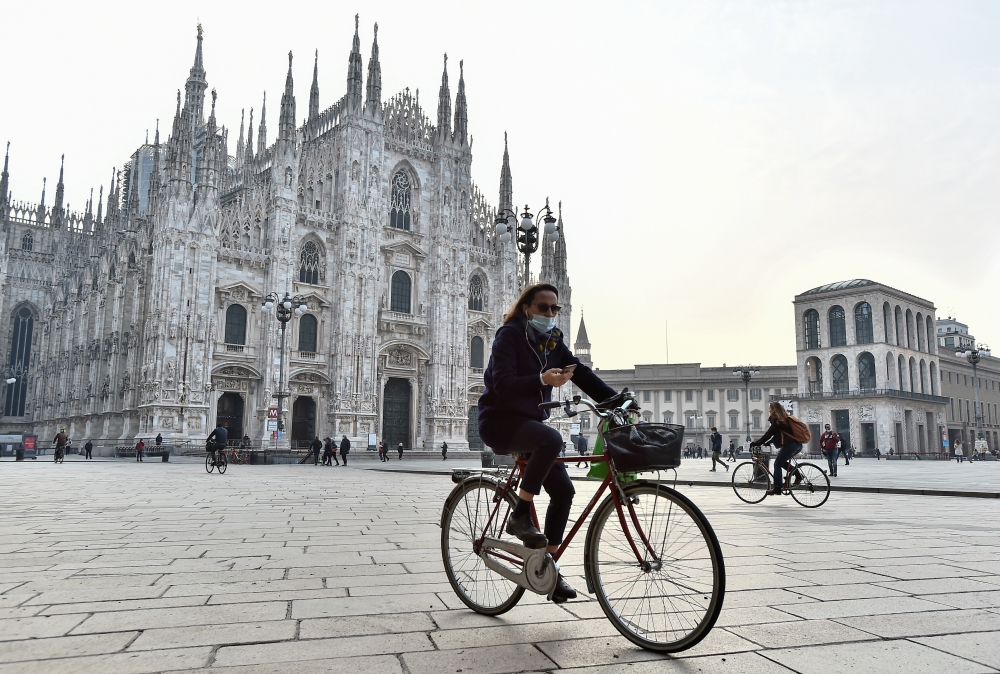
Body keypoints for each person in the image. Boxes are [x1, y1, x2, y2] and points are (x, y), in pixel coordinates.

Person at [478, 283, 617, 604]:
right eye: (544, 308)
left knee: (565, 491)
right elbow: (503, 384)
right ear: (527, 307)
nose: (551, 313)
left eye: (555, 309)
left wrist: (617, 399)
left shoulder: (552, 342)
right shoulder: (509, 335)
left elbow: (578, 371)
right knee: (551, 438)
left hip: (528, 424)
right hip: (498, 422)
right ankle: (520, 514)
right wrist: (542, 379)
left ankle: (547, 570)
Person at [750, 402, 810, 496]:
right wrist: (769, 442)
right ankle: (798, 475)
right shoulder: (784, 420)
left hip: (790, 445)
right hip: (797, 445)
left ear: (774, 410)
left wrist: (757, 443)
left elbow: (768, 434)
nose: (769, 410)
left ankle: (777, 488)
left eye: (770, 409)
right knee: (781, 462)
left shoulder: (777, 420)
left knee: (777, 464)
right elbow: (779, 434)